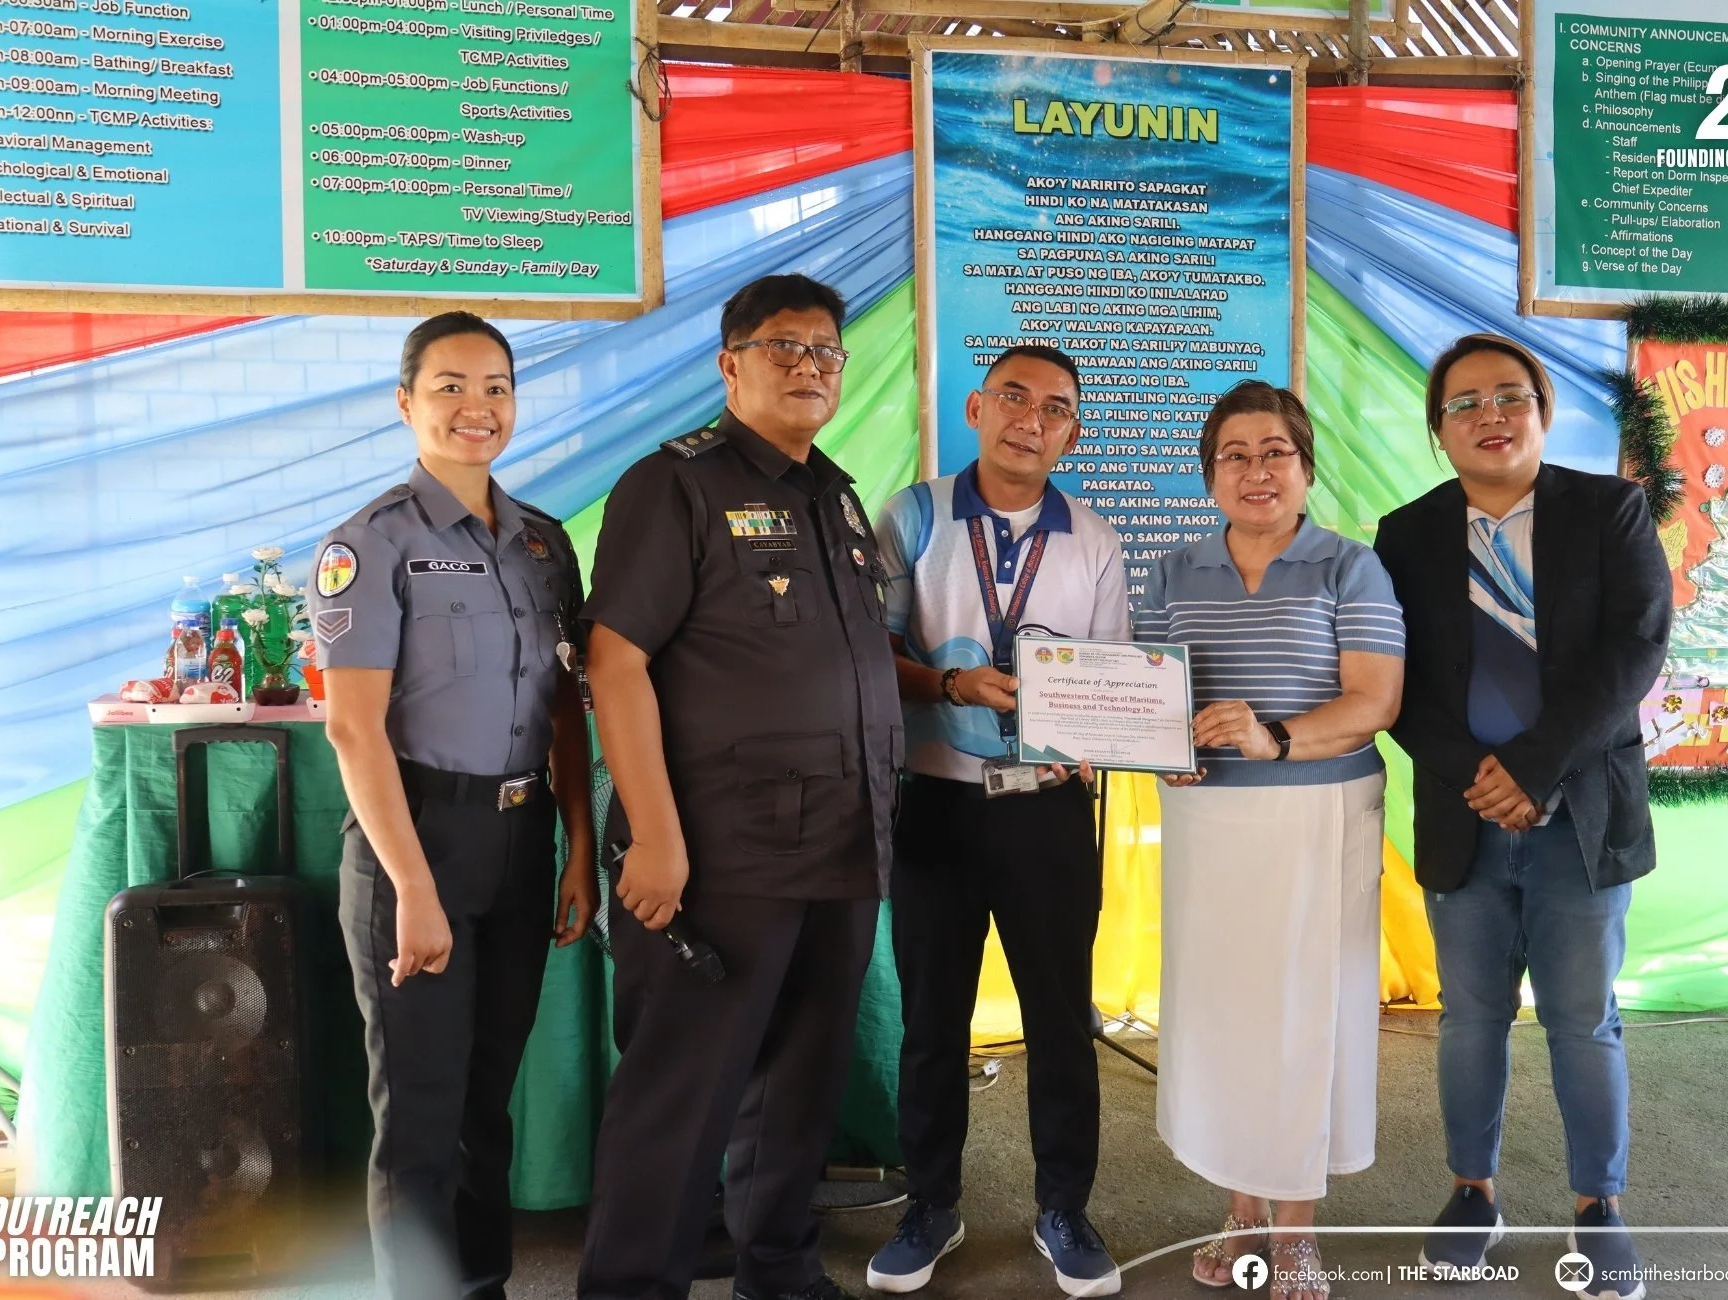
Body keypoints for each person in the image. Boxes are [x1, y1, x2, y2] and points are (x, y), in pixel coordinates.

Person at [576, 274, 903, 1300]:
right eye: (783, 347)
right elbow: (614, 662)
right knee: (680, 1099)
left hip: (841, 844)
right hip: (720, 853)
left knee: (800, 1087)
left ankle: (780, 1271)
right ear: (730, 364)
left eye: (826, 351)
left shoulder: (837, 493)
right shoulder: (674, 485)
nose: (810, 366)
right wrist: (656, 836)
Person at [1372, 334, 1672, 1300]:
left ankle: (1599, 1207)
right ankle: (1474, 1191)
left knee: (1583, 1022)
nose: (1489, 415)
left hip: (1579, 817)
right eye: (1464, 403)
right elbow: (1396, 683)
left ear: (1543, 410)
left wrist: (1534, 770)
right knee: (1470, 1020)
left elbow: (1636, 650)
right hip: (1465, 818)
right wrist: (1482, 778)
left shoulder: (1610, 510)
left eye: (1509, 396)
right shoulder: (1406, 534)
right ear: (1439, 429)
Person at [310, 311, 598, 1300]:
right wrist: (414, 890)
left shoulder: (545, 544)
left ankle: (483, 1284)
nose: (478, 408)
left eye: (497, 388)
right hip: (417, 842)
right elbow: (354, 731)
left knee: (487, 1105)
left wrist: (576, 845)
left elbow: (563, 708)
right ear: (406, 403)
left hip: (521, 841)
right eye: (450, 387)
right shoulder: (370, 543)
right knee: (422, 1119)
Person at [866, 345, 1130, 1299]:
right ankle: (930, 1204)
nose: (1031, 418)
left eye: (1055, 408)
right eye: (1014, 397)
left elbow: (1112, 675)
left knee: (1061, 1021)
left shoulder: (1094, 540)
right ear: (977, 408)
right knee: (933, 1022)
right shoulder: (912, 515)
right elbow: (868, 651)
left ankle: (1065, 1209)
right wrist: (949, 685)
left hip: (1048, 812)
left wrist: (1103, 731)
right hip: (934, 803)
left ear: (1072, 434)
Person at [1133, 382, 1403, 1300]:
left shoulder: (1350, 568)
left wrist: (1273, 737)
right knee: (1227, 1015)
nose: (1256, 471)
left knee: (1307, 1015)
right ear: (1209, 474)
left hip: (1320, 813)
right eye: (1235, 455)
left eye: (1275, 452)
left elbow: (1375, 701)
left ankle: (1294, 1230)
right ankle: (1241, 1209)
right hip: (1209, 820)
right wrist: (1161, 747)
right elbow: (1148, 695)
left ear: (1306, 467)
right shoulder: (1172, 571)